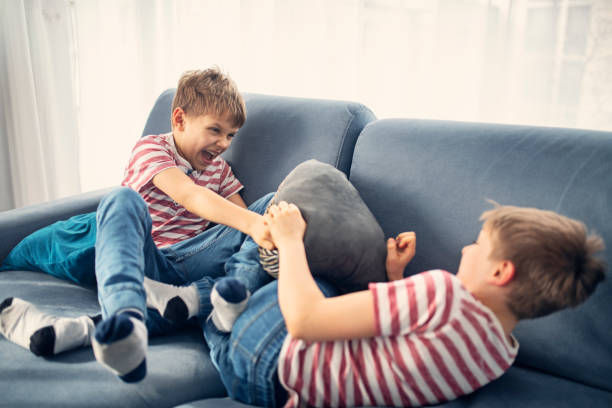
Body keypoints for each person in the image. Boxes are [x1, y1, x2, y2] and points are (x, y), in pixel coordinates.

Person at [0, 67, 276, 383]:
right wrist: (254, 224)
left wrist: (261, 224)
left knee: (271, 204)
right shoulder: (152, 149)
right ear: (180, 120)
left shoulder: (221, 172)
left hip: (183, 271)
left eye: (230, 135)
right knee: (121, 199)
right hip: (144, 260)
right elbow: (189, 195)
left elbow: (239, 232)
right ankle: (126, 317)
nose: (223, 143)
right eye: (215, 130)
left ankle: (213, 302)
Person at [195, 201, 606, 407]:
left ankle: (208, 308)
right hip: (273, 390)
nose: (466, 247)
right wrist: (395, 277)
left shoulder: (443, 293)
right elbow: (402, 356)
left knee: (305, 265)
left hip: (268, 354)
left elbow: (304, 320)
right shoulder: (499, 354)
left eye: (480, 246)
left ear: (501, 272)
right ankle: (219, 314)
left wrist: (288, 239)